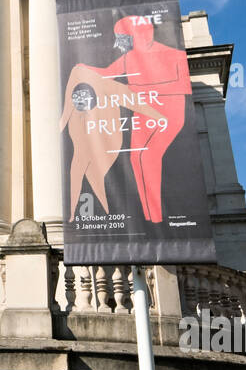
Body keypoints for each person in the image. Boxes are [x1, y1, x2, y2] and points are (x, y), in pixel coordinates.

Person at [59, 14, 191, 224]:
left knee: (146, 157)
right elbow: (107, 72)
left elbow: (183, 88)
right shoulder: (130, 58)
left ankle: (156, 217)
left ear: (135, 36)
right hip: (143, 114)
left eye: (121, 38)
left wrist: (143, 88)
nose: (117, 43)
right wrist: (82, 67)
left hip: (167, 113)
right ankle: (151, 215)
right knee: (135, 158)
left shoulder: (173, 55)